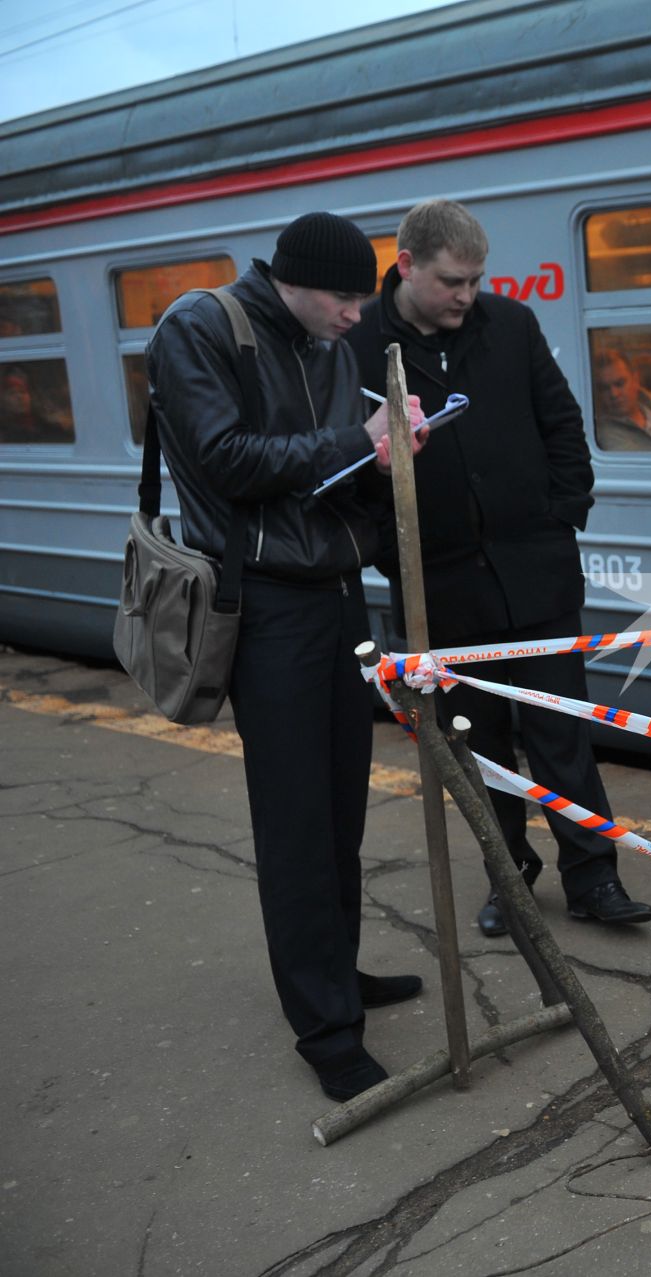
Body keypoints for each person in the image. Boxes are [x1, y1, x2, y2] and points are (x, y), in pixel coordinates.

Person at [145, 212, 426, 1102]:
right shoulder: (201, 328)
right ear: (292, 282)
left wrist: (385, 468)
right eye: (344, 299)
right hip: (266, 607)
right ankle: (325, 1029)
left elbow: (321, 467)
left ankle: (335, 976)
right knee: (298, 820)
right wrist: (359, 444)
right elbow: (226, 459)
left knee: (342, 806)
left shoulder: (327, 346)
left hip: (337, 596)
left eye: (360, 300)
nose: (355, 316)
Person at [345, 198, 651, 938]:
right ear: (407, 264)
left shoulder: (510, 326)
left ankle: (594, 877)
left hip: (536, 575)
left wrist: (562, 512)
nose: (467, 295)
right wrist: (396, 554)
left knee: (562, 739)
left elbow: (560, 421)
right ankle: (510, 880)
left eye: (477, 280)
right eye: (453, 281)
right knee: (477, 748)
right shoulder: (360, 349)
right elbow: (357, 468)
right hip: (441, 587)